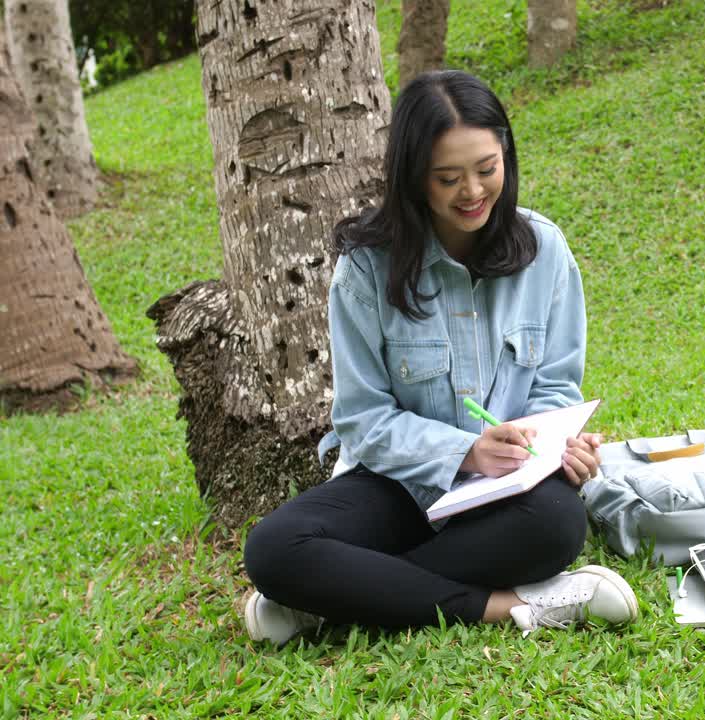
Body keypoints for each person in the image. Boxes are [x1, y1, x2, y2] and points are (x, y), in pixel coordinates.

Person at [239, 70, 638, 644]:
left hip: (508, 492)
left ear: (507, 157)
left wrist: (561, 447)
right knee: (274, 550)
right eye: (447, 177)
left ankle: (328, 602)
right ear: (413, 178)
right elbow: (362, 420)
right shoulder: (365, 269)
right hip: (398, 484)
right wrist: (464, 451)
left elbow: (555, 386)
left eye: (487, 169)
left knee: (557, 525)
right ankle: (521, 605)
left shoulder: (544, 250)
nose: (472, 192)